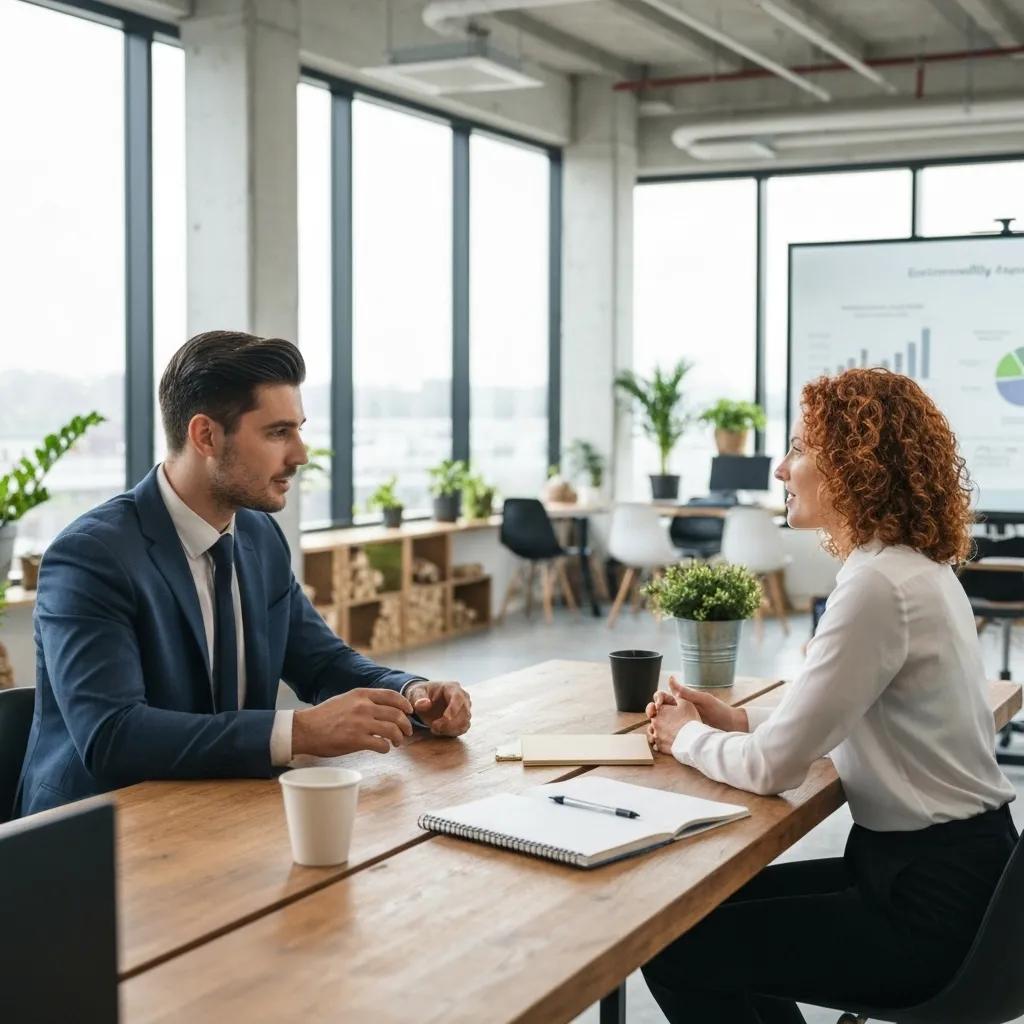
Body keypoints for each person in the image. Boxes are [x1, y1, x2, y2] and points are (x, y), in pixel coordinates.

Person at [642, 368, 1017, 1024]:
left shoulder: (877, 586)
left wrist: (687, 736)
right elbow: (849, 706)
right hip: (955, 874)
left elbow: (771, 769)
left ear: (855, 465)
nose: (782, 470)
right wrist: (736, 717)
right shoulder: (911, 569)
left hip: (927, 910)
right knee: (700, 911)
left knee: (675, 944)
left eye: (799, 450)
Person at [17, 331, 471, 816]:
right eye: (278, 433)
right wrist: (301, 732)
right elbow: (112, 737)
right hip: (92, 836)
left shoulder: (258, 537)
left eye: (298, 429)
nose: (300, 454)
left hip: (221, 808)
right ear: (206, 436)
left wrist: (411, 694)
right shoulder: (91, 556)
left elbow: (320, 662)